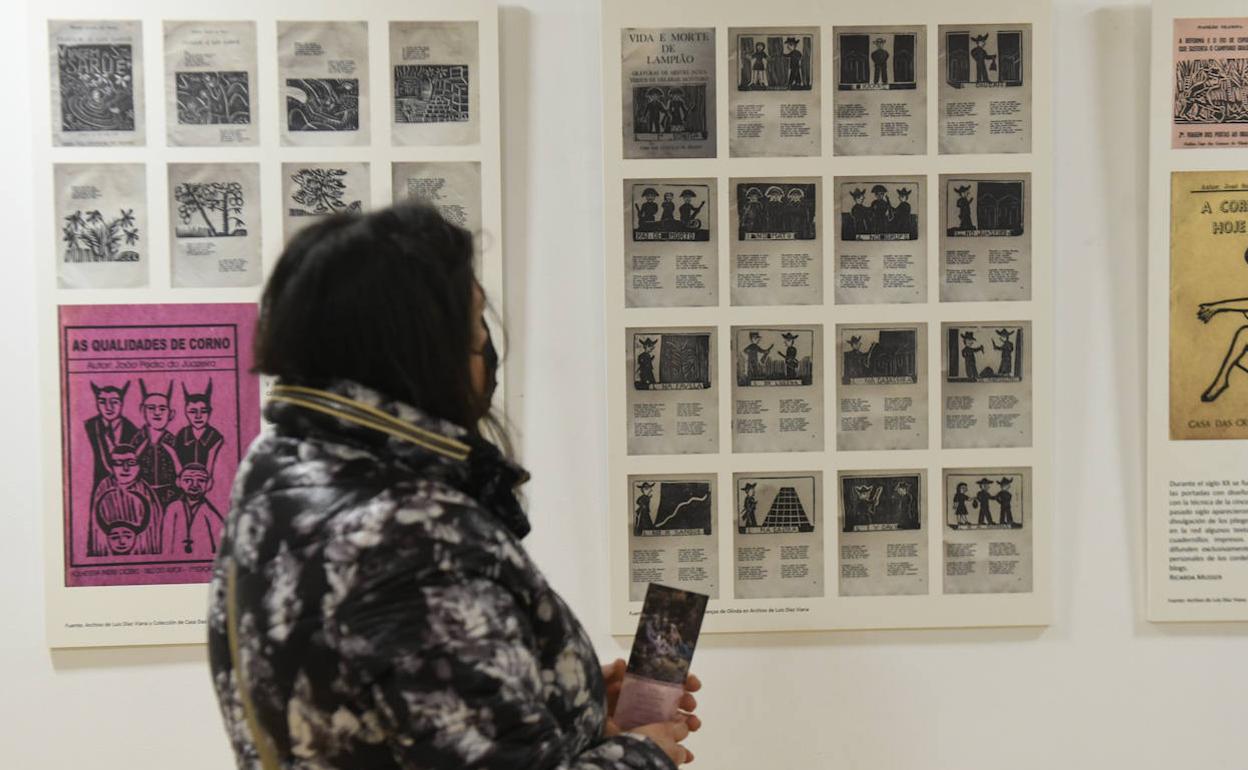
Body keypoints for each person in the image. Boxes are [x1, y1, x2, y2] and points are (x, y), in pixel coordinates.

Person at [207, 204, 700, 769]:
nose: (487, 352)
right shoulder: (404, 542)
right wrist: (642, 755)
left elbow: (407, 721)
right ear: (412, 350)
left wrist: (568, 697)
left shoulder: (283, 471)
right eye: (471, 333)